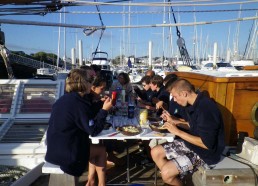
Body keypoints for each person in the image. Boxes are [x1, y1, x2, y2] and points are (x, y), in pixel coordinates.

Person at [151, 79, 225, 185]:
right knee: (155, 152)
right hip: (193, 144)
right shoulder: (194, 103)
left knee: (166, 173)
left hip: (206, 154)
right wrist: (175, 121)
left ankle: (171, 177)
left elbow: (207, 144)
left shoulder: (206, 109)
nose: (174, 100)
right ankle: (175, 178)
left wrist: (178, 132)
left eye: (175, 97)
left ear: (184, 93)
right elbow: (193, 125)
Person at [45, 69, 113, 179]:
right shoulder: (78, 103)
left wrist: (101, 104)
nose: (91, 83)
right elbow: (94, 130)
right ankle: (97, 183)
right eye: (90, 80)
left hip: (55, 148)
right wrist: (104, 111)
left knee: (96, 148)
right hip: (67, 154)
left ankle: (92, 181)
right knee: (101, 150)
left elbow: (86, 113)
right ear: (83, 83)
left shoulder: (67, 98)